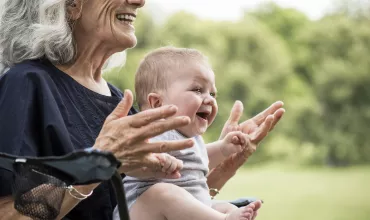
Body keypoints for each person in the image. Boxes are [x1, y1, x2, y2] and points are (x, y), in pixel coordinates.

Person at [0, 0, 285, 220]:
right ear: (72, 4)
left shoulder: (116, 98)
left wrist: (223, 165)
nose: (140, 1)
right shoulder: (27, 83)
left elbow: (153, 201)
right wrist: (95, 166)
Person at [114, 46, 264, 220]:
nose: (209, 99)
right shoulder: (153, 130)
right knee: (164, 193)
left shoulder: (192, 138)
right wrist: (156, 161)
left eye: (212, 93)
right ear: (157, 103)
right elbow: (129, 163)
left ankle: (226, 216)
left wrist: (223, 149)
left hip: (182, 209)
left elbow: (198, 161)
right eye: (198, 90)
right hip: (141, 210)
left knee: (224, 207)